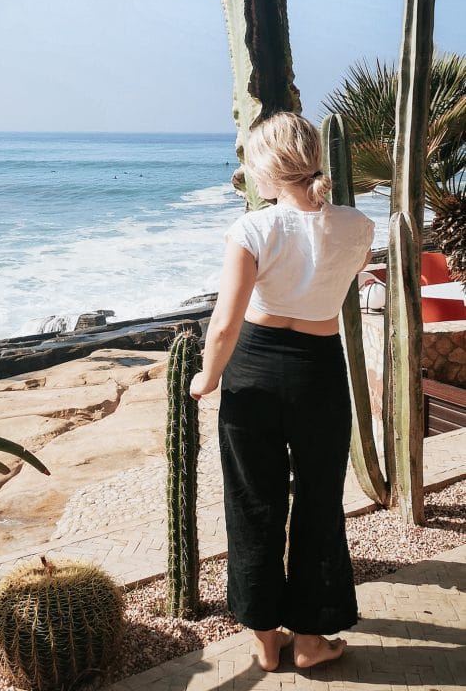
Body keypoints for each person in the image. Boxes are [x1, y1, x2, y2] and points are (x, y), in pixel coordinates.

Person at [190, 112, 374, 673]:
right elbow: (347, 272)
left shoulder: (252, 230)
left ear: (266, 169)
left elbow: (224, 324)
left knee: (254, 502)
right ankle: (312, 639)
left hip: (254, 370)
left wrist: (206, 378)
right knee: (319, 503)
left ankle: (266, 640)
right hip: (318, 372)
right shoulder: (359, 225)